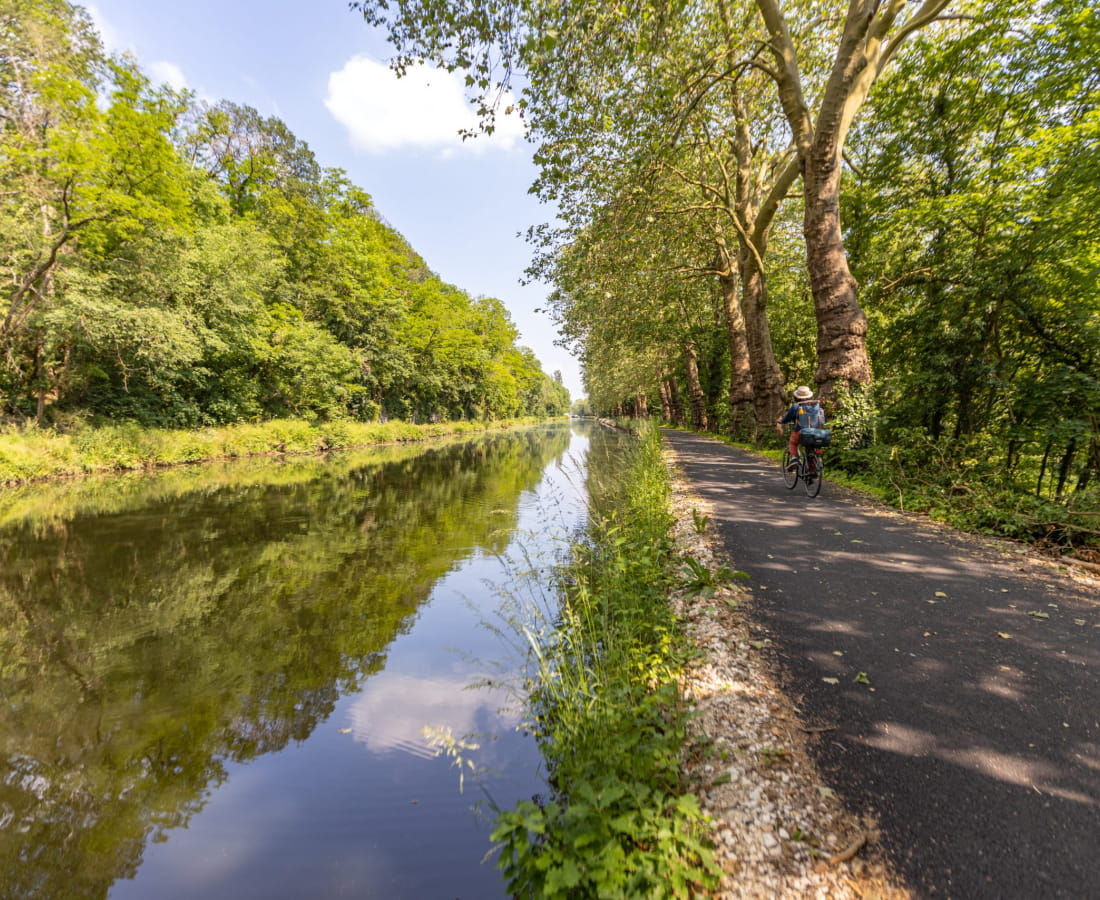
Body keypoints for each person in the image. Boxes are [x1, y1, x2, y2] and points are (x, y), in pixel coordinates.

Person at [777, 386, 825, 468]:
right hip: (817, 432)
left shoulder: (796, 406)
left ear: (796, 397)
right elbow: (822, 421)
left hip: (801, 432)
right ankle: (813, 470)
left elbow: (787, 418)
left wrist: (782, 421)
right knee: (811, 450)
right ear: (810, 396)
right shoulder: (817, 407)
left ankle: (795, 458)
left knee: (793, 443)